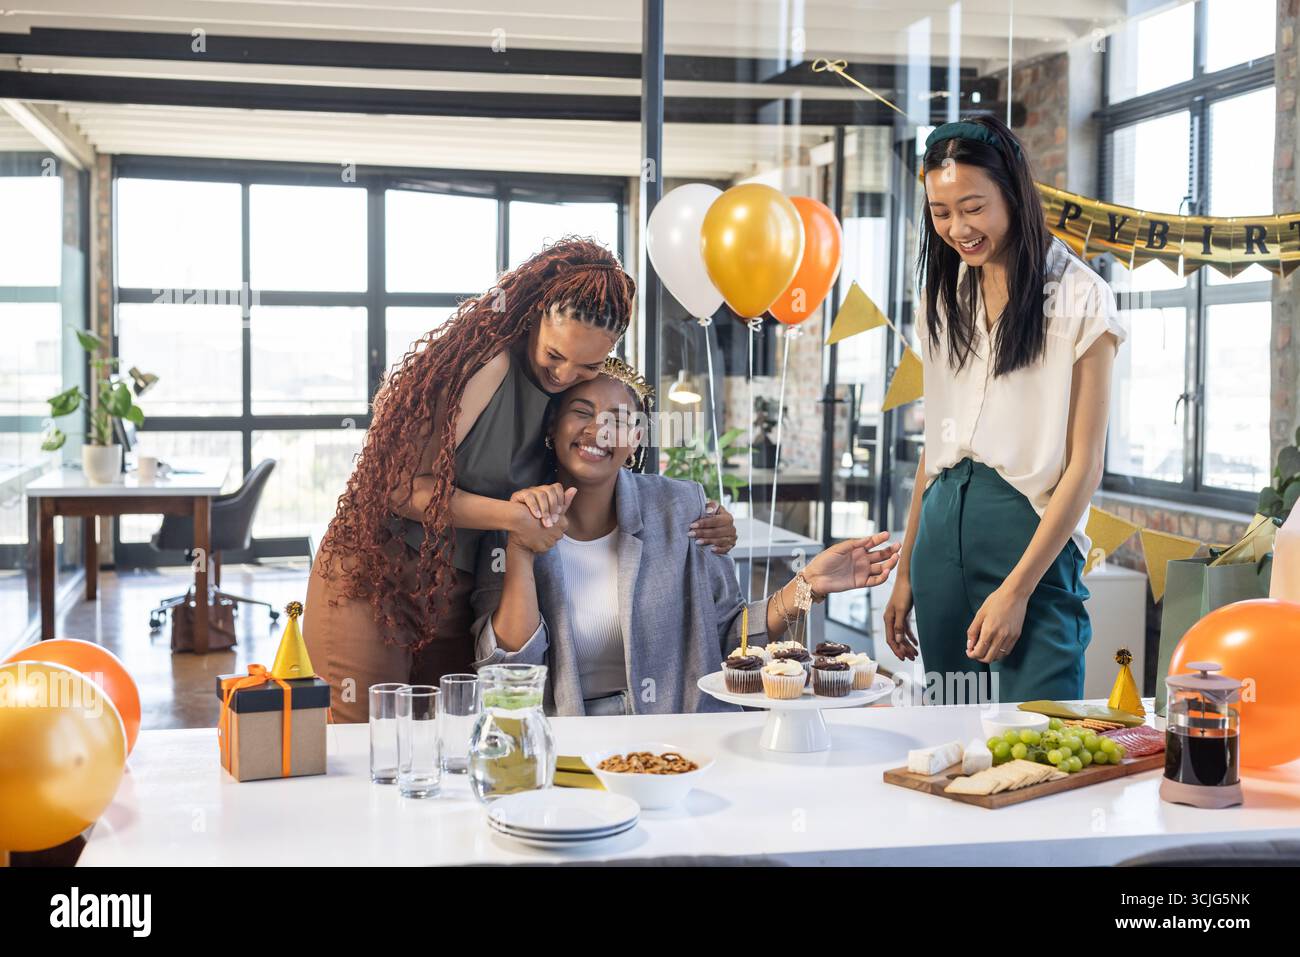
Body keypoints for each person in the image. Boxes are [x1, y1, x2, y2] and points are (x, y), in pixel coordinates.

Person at [304, 239, 736, 722]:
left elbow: (603, 458)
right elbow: (399, 488)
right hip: (377, 575)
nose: (565, 374)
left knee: (451, 740)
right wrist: (513, 518)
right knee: (364, 734)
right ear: (533, 315)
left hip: (458, 590)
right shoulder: (491, 363)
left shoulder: (567, 395)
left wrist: (701, 515)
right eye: (555, 355)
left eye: (588, 365)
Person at [470, 358, 899, 716]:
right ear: (553, 427)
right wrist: (522, 549)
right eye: (582, 413)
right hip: (567, 743)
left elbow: (733, 635)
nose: (599, 431)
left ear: (636, 440)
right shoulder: (515, 514)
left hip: (678, 738)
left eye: (618, 421)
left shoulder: (681, 507)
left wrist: (808, 586)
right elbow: (509, 667)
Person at [882, 116, 1126, 705]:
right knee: (951, 729)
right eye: (941, 213)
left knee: (1040, 729)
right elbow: (935, 450)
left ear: (1013, 193)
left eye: (973, 207)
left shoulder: (1078, 294)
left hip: (1031, 537)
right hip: (941, 530)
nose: (958, 228)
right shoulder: (944, 298)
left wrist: (1018, 589)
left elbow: (1085, 466)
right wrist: (908, 570)